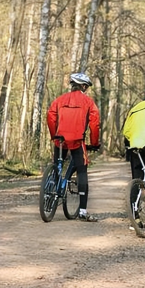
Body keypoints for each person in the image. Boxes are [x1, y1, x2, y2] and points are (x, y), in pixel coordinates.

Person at [47, 73, 101, 222]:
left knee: (57, 165)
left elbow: (51, 117)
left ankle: (52, 194)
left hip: (60, 140)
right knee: (82, 170)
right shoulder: (88, 102)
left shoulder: (59, 100)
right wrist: (94, 143)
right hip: (77, 141)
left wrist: (54, 135)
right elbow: (94, 123)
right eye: (87, 87)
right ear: (83, 86)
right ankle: (83, 211)